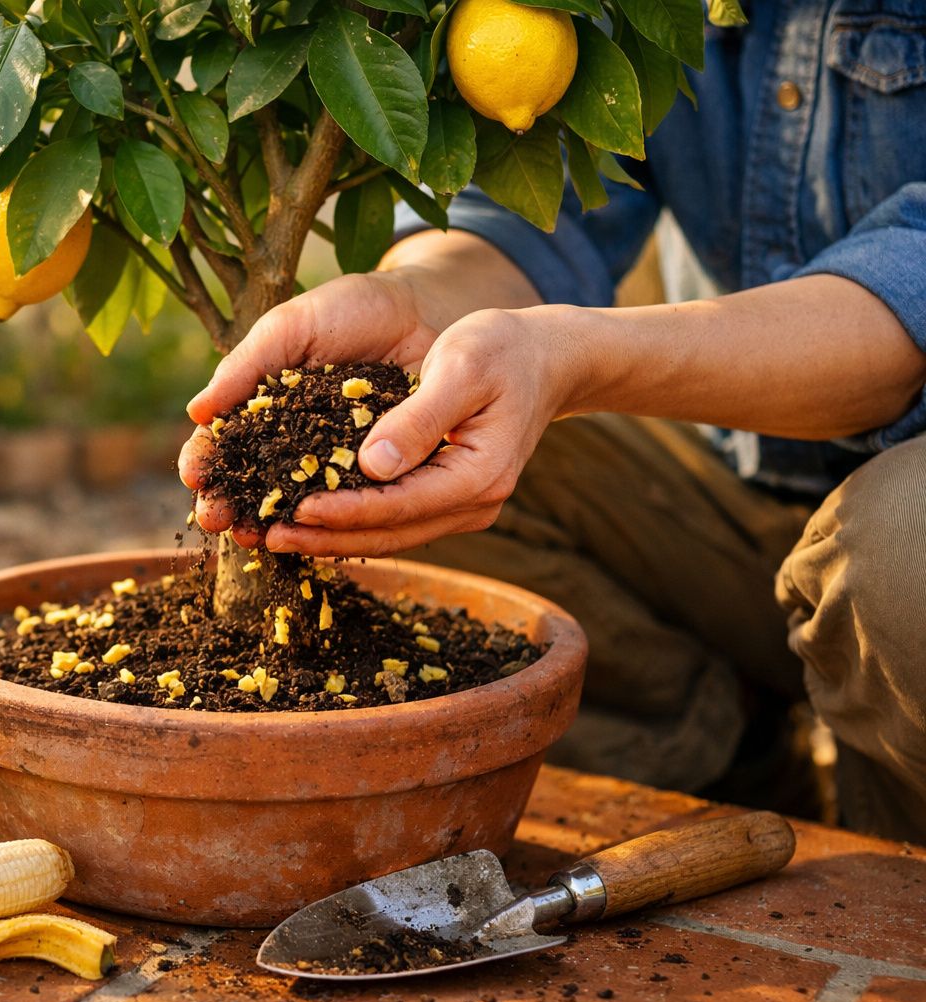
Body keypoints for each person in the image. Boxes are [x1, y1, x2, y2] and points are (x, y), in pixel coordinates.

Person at [179, 3, 926, 841]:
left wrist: (572, 359)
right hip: (732, 487)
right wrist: (418, 300)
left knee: (904, 554)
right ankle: (738, 773)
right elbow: (530, 217)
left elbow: (910, 307)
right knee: (412, 459)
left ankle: (887, 874)